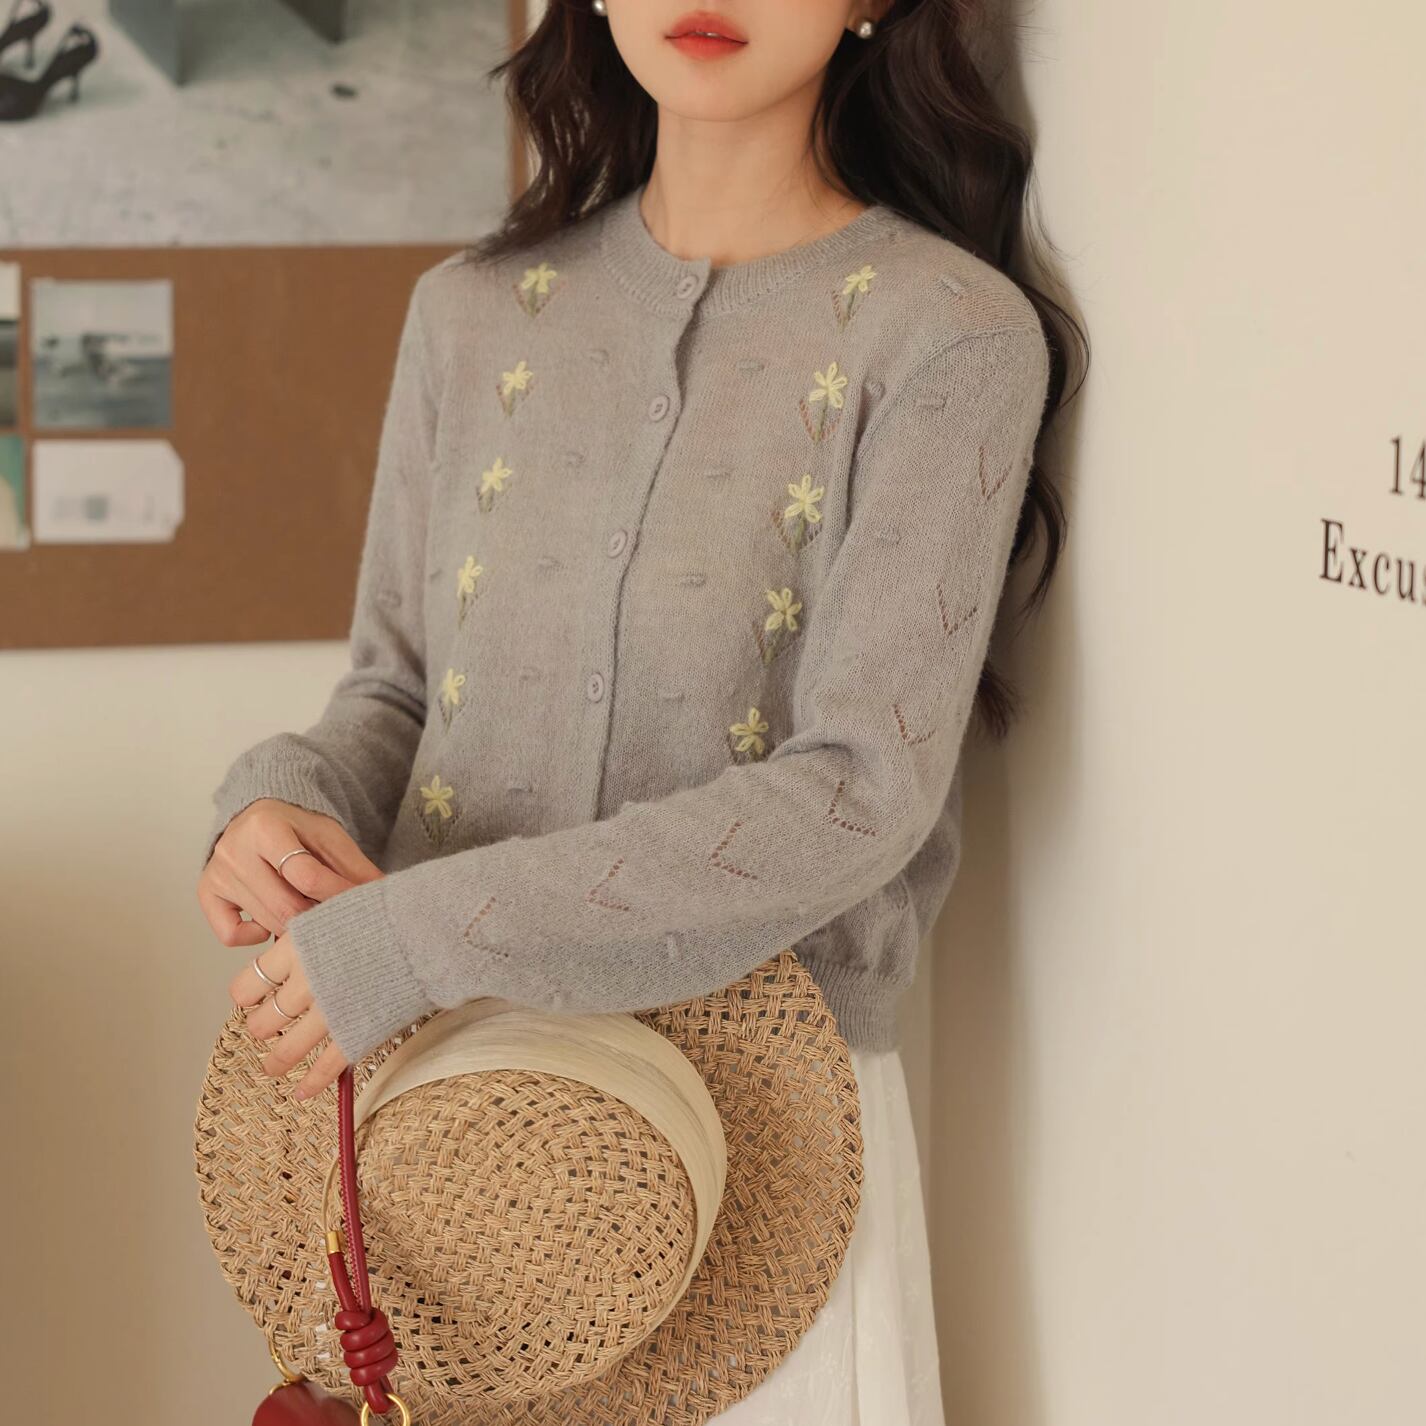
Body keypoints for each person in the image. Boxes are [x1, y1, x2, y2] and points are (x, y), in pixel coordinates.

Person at [197, 2, 1082, 1420]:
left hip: (764, 1152)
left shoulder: (948, 336)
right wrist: (279, 798)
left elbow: (861, 789)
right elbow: (397, 688)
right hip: (462, 1151)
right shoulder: (469, 314)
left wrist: (419, 934)